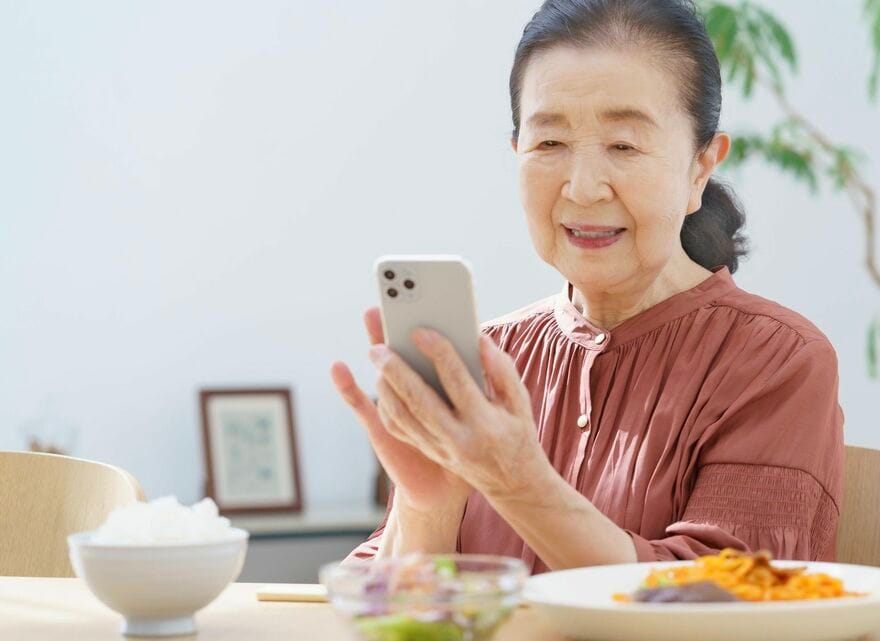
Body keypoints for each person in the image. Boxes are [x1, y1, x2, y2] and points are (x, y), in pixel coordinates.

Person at [331, 0, 843, 574]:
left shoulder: (777, 362)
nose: (583, 187)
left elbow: (730, 603)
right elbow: (387, 611)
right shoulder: (487, 360)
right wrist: (428, 509)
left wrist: (518, 484)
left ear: (700, 167)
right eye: (549, 144)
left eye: (623, 145)